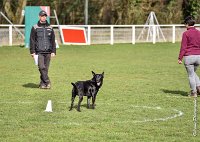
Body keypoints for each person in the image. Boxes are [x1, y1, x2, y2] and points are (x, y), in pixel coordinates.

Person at [30, 10, 56, 89]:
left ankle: (42, 84)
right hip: (39, 52)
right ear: (39, 17)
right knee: (41, 67)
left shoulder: (50, 28)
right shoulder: (35, 27)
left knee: (46, 69)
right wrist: (32, 51)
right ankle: (47, 81)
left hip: (48, 52)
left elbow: (53, 40)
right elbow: (32, 40)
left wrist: (53, 51)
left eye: (45, 16)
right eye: (42, 16)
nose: (43, 17)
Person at [178, 16, 200, 97]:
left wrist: (180, 58)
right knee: (193, 73)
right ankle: (199, 88)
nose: (185, 26)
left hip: (189, 57)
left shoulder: (186, 33)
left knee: (191, 75)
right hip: (198, 57)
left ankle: (193, 92)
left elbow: (183, 47)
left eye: (185, 24)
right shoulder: (199, 32)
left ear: (187, 24)